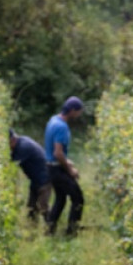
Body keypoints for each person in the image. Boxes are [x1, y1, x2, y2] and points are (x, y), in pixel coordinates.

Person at [45, 97, 85, 237]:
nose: (79, 114)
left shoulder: (53, 120)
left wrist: (67, 161)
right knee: (78, 199)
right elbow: (57, 152)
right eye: (79, 111)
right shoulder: (61, 127)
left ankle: (50, 230)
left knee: (60, 199)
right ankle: (72, 232)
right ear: (72, 111)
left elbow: (54, 151)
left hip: (51, 167)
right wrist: (70, 169)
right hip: (57, 169)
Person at [10, 128, 52, 224]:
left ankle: (51, 228)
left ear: (12, 140)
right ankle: (32, 231)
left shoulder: (23, 147)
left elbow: (11, 165)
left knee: (43, 206)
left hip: (44, 178)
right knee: (31, 208)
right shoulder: (21, 142)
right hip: (35, 180)